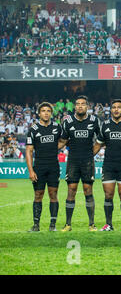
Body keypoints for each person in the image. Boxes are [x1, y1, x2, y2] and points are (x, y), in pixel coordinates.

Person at [93, 99, 121, 232]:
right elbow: (97, 145)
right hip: (108, 165)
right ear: (111, 110)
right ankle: (108, 224)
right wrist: (86, 157)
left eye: (119, 107)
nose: (116, 109)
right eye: (114, 107)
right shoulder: (105, 125)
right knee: (108, 194)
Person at [59, 95, 101, 232]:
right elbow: (63, 141)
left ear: (87, 107)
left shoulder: (94, 121)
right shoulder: (68, 122)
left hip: (88, 162)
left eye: (83, 104)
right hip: (73, 161)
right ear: (75, 106)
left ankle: (91, 224)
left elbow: (101, 140)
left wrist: (91, 154)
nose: (80, 106)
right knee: (71, 190)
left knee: (88, 190)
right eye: (78, 104)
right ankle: (68, 224)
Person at [25, 102, 63, 232]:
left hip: (53, 166)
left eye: (48, 111)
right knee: (38, 195)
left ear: (51, 113)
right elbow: (29, 151)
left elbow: (64, 140)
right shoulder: (33, 130)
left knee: (53, 194)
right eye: (43, 111)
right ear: (39, 113)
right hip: (39, 167)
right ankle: (36, 225)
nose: (46, 113)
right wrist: (31, 170)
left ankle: (53, 225)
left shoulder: (57, 127)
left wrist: (54, 148)